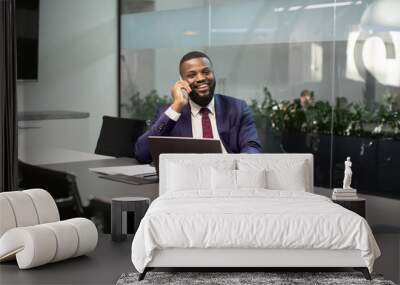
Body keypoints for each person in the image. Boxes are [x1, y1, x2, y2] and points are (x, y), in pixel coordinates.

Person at [134, 51, 262, 163]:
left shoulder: (237, 108)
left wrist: (239, 166)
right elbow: (142, 154)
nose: (201, 78)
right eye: (191, 75)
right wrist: (177, 106)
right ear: (181, 81)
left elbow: (252, 147)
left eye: (206, 72)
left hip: (229, 179)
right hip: (187, 182)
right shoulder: (170, 113)